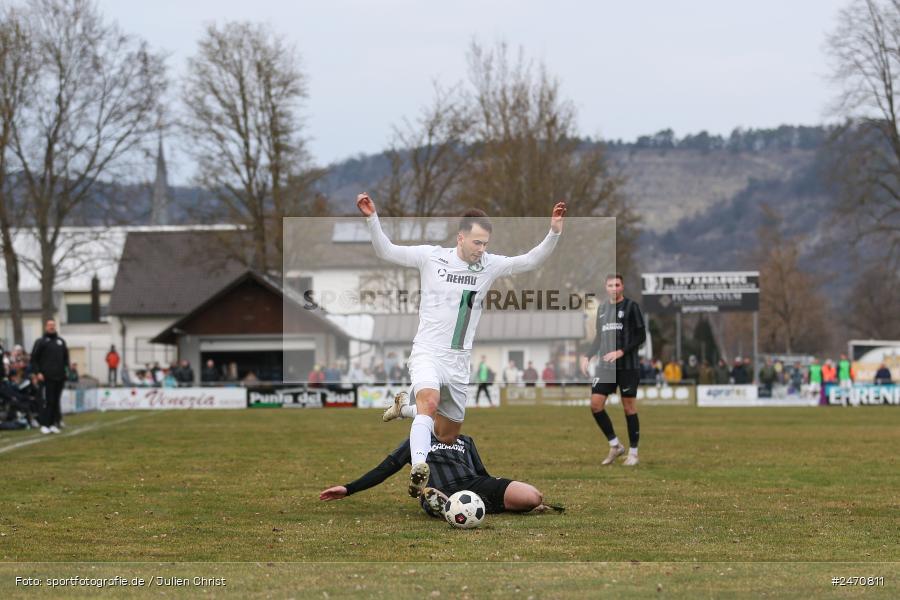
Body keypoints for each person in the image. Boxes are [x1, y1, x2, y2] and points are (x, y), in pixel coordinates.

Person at [363, 191, 566, 497]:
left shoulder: (489, 264)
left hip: (458, 361)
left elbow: (530, 260)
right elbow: (386, 251)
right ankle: (419, 467)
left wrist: (553, 232)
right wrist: (372, 218)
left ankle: (404, 408)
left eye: (486, 243)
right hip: (428, 352)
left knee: (445, 434)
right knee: (429, 404)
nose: (482, 249)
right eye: (477, 242)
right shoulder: (431, 257)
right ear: (460, 237)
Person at [319, 433, 562, 517]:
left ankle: (477, 505)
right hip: (439, 487)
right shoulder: (418, 439)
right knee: (434, 497)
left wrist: (499, 488)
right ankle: (432, 498)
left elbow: (481, 473)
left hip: (473, 483)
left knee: (533, 496)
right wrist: (348, 488)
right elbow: (385, 468)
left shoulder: (465, 440)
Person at [580, 273, 646, 467]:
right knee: (595, 405)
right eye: (610, 285)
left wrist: (621, 351)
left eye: (617, 284)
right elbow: (599, 338)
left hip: (627, 367)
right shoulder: (602, 309)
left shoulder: (632, 307)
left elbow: (641, 336)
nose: (614, 288)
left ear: (622, 287)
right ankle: (615, 445)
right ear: (606, 287)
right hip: (605, 367)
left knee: (629, 408)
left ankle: (633, 453)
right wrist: (588, 355)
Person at [30, 319, 69, 435]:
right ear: (45, 327)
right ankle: (44, 424)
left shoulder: (60, 342)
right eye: (49, 325)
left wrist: (65, 371)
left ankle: (53, 423)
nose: (51, 327)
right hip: (46, 377)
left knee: (56, 401)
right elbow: (34, 359)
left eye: (53, 325)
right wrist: (38, 372)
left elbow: (66, 359)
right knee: (47, 401)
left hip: (59, 377)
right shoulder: (41, 342)